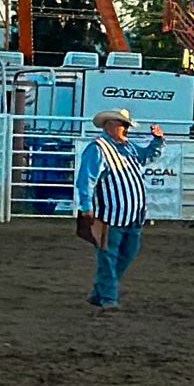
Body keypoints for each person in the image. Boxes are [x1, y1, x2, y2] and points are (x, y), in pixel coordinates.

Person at [74, 107, 166, 311]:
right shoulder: (97, 148)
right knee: (109, 257)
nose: (126, 129)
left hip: (133, 215)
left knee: (127, 254)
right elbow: (86, 179)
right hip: (109, 216)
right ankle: (109, 298)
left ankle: (100, 293)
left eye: (127, 126)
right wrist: (86, 207)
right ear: (110, 126)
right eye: (123, 125)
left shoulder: (129, 148)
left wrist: (157, 141)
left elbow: (147, 155)